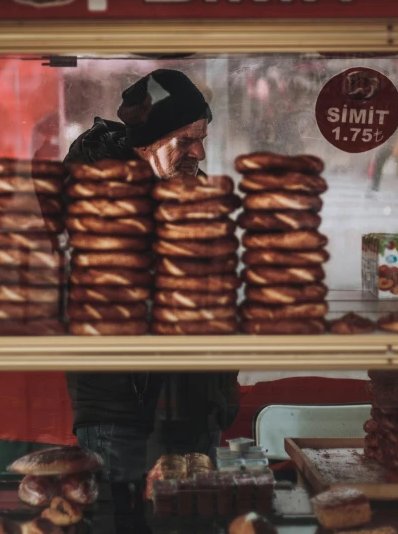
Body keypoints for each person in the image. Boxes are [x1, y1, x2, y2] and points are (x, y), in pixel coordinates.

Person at [64, 69, 239, 531]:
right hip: (122, 414)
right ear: (144, 147)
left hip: (197, 405)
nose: (198, 153)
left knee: (192, 523)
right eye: (184, 142)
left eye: (201, 138)